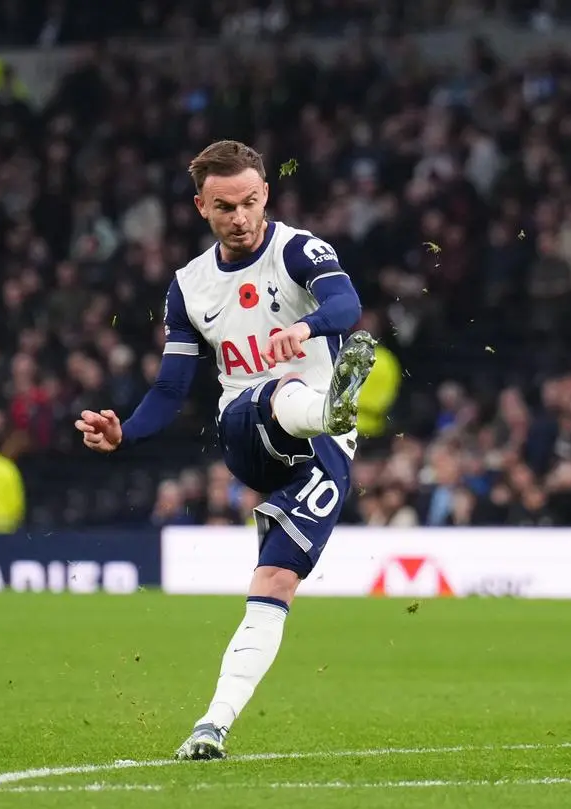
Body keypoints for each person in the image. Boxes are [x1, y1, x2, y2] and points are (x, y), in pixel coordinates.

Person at [74, 140, 376, 760]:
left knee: (274, 580)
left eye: (249, 202)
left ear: (265, 194)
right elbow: (171, 387)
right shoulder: (189, 287)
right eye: (224, 207)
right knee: (273, 392)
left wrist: (307, 326)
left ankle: (212, 725)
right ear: (200, 207)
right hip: (248, 433)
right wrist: (125, 432)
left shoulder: (298, 249)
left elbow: (346, 304)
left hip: (325, 449)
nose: (240, 217)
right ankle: (325, 403)